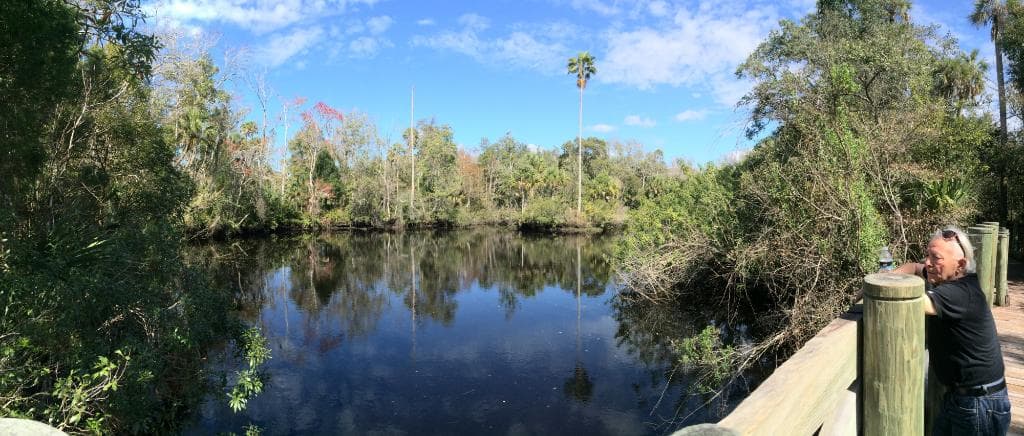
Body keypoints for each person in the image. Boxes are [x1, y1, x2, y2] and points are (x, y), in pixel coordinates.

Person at [894, 226, 1010, 435]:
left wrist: (874, 286)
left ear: (960, 265)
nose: (928, 263)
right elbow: (913, 267)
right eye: (928, 255)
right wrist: (888, 275)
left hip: (979, 404)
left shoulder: (960, 293)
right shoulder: (950, 277)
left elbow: (908, 301)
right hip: (963, 397)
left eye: (936, 258)